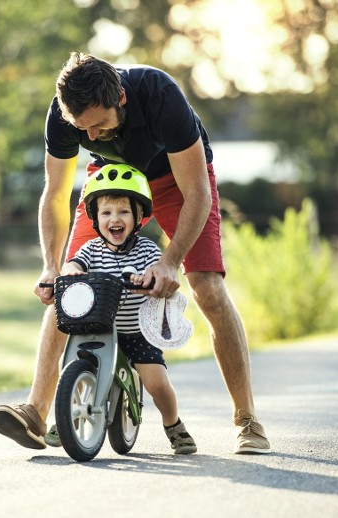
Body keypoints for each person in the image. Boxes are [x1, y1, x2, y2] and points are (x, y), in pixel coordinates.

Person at [0, 51, 270, 454]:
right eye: (83, 130)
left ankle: (248, 419)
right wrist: (51, 267)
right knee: (69, 286)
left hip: (178, 179)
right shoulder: (66, 114)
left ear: (120, 98)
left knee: (207, 288)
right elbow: (54, 195)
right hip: (113, 182)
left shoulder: (160, 95)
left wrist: (170, 260)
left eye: (100, 125)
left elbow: (198, 193)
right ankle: (36, 411)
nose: (94, 137)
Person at [45, 163, 196, 454]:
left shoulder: (148, 251)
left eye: (123, 212)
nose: (114, 219)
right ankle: (65, 415)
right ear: (94, 217)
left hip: (136, 333)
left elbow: (158, 271)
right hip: (97, 327)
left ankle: (174, 425)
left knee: (157, 382)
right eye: (106, 213)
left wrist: (149, 278)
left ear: (139, 216)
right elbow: (74, 264)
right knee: (70, 364)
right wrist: (71, 271)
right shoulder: (90, 250)